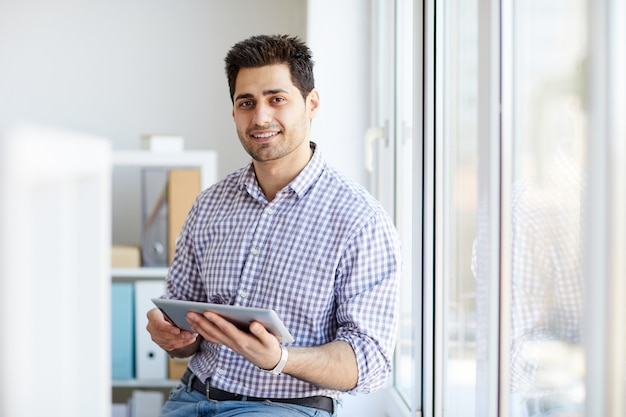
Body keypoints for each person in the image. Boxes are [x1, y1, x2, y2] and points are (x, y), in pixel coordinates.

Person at [146, 34, 402, 417]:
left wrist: (280, 359)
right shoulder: (209, 205)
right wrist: (173, 336)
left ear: (311, 103)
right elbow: (186, 336)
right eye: (246, 103)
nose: (261, 117)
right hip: (192, 398)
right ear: (233, 111)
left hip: (286, 407)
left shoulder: (360, 220)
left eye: (276, 99)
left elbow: (370, 362)